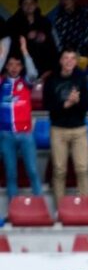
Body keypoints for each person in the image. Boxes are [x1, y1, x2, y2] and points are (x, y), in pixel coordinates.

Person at [43, 48, 88, 203]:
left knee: (82, 169)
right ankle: (60, 209)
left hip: (79, 129)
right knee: (59, 171)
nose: (69, 61)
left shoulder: (82, 78)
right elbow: (47, 105)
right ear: (61, 61)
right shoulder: (51, 79)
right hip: (58, 129)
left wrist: (77, 102)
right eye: (66, 58)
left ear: (76, 61)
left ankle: (85, 205)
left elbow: (87, 105)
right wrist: (66, 104)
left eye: (72, 58)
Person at [0, 37, 43, 198]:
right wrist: (2, 54)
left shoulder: (26, 82)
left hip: (25, 134)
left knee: (32, 171)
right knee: (11, 174)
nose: (13, 68)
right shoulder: (2, 82)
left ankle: (40, 208)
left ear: (21, 67)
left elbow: (33, 73)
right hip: (5, 135)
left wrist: (25, 51)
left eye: (17, 65)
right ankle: (13, 210)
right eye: (10, 64)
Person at [7, 0, 59, 79]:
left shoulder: (44, 21)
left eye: (32, 3)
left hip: (44, 65)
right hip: (22, 64)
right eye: (25, 3)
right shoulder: (13, 22)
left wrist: (39, 35)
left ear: (36, 5)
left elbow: (51, 46)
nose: (29, 6)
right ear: (20, 6)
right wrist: (26, 36)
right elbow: (11, 45)